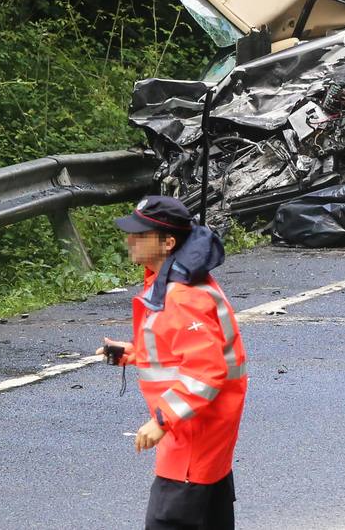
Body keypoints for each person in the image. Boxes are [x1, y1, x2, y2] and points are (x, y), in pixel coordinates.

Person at [98, 195, 248, 529]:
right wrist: (129, 353)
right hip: (206, 435)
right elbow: (179, 349)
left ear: (167, 242)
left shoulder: (182, 295)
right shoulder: (175, 281)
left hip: (192, 441)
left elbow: (206, 370)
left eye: (140, 234)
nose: (130, 240)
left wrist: (162, 421)